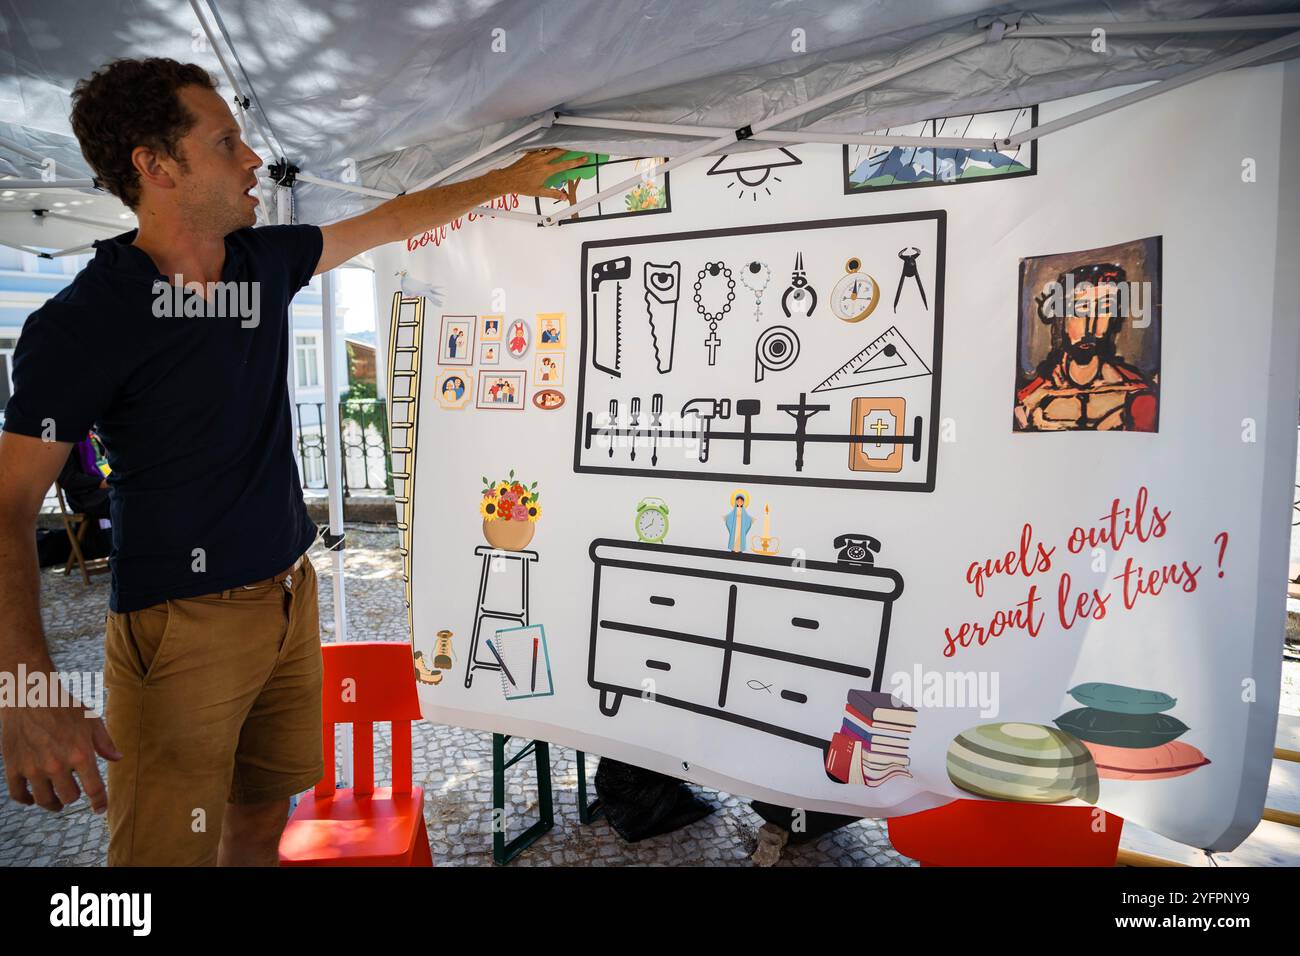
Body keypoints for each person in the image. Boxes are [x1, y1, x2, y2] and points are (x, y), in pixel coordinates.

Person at [0, 57, 584, 867]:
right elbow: (8, 508)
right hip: (181, 624)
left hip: (289, 593)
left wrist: (509, 178)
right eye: (227, 142)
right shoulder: (83, 323)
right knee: (161, 857)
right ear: (156, 166)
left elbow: (395, 219)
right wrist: (24, 694)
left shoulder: (260, 264)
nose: (253, 161)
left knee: (257, 822)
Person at [1014, 262, 1158, 431]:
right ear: (1061, 319)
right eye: (1081, 310)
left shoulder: (1137, 394)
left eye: (1104, 309)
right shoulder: (1027, 399)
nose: (1090, 326)